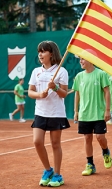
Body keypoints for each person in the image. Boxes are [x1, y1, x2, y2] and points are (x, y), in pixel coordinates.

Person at [28, 40, 70, 187]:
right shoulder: (36, 72)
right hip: (40, 112)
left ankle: (58, 175)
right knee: (37, 142)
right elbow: (30, 92)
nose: (40, 54)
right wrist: (39, 94)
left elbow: (64, 93)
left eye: (44, 51)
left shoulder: (61, 71)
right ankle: (48, 170)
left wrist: (55, 87)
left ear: (51, 54)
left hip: (56, 113)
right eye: (39, 51)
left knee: (55, 144)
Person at [72, 57, 112, 176]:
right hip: (84, 114)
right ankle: (90, 164)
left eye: (83, 59)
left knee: (100, 137)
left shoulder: (101, 74)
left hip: (98, 113)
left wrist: (107, 110)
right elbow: (77, 94)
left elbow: (107, 92)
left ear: (91, 60)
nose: (81, 61)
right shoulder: (79, 76)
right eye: (80, 60)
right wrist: (76, 111)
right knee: (87, 138)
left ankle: (106, 152)